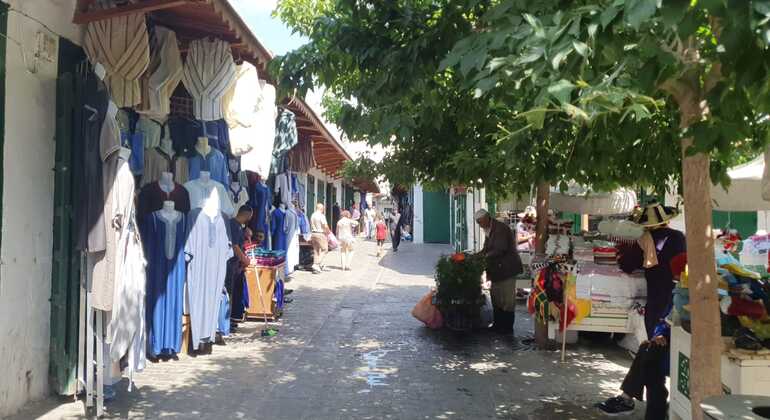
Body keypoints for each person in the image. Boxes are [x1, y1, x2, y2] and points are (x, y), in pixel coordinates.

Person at [596, 255, 685, 418]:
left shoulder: (691, 295)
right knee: (648, 352)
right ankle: (631, 401)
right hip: (671, 340)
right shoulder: (679, 293)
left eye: (678, 276)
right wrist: (660, 334)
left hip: (684, 345)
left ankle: (629, 400)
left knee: (649, 356)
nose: (676, 280)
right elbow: (665, 320)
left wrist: (664, 333)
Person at [618, 201, 686, 337]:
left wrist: (620, 257)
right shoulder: (679, 236)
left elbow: (628, 265)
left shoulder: (644, 239)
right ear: (666, 221)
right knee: (675, 333)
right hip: (680, 290)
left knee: (656, 332)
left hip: (657, 293)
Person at [475, 209, 523, 334]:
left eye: (480, 222)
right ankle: (498, 325)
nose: (479, 225)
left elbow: (499, 249)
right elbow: (487, 248)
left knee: (507, 300)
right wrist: (476, 255)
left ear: (486, 218)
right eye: (477, 223)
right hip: (497, 270)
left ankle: (507, 328)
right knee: (497, 298)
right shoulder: (489, 229)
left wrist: (482, 257)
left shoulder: (500, 229)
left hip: (507, 269)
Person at [225, 205, 253, 334]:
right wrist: (244, 259)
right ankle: (226, 322)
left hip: (237, 266)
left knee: (235, 291)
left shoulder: (239, 226)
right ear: (246, 214)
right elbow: (235, 246)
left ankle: (232, 318)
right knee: (229, 292)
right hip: (230, 264)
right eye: (249, 217)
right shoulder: (233, 224)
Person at [310, 203, 331, 274]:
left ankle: (317, 266)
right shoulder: (321, 216)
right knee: (325, 249)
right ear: (321, 209)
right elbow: (325, 225)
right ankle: (316, 264)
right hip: (320, 233)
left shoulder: (313, 215)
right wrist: (328, 232)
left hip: (313, 233)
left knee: (316, 250)